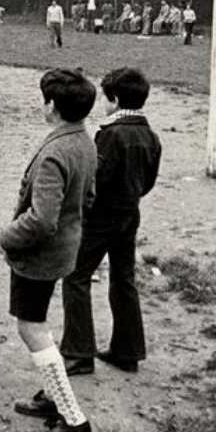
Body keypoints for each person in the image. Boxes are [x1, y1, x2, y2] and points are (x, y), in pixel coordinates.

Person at [1, 68, 97, 432]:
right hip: (65, 250)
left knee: (31, 328)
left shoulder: (55, 153)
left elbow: (41, 220)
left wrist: (8, 236)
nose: (43, 105)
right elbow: (88, 197)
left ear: (52, 106)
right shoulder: (85, 141)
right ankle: (54, 395)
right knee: (36, 322)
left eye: (45, 99)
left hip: (40, 255)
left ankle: (73, 417)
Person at [61, 68, 161, 378]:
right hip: (130, 215)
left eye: (105, 98)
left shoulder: (110, 134)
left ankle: (79, 353)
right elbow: (148, 182)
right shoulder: (151, 136)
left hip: (101, 218)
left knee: (75, 277)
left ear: (114, 100)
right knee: (123, 278)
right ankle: (127, 351)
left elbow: (96, 180)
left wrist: (81, 210)